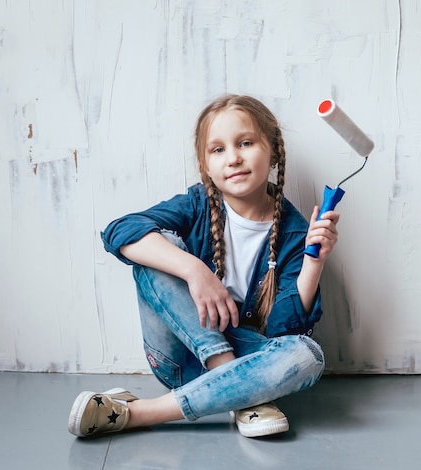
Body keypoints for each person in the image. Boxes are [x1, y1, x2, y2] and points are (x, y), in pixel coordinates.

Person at [68, 94, 340, 439]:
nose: (234, 158)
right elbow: (119, 230)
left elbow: (282, 330)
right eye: (218, 150)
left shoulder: (294, 231)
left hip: (251, 359)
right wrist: (194, 270)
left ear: (273, 150)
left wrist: (313, 264)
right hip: (182, 358)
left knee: (307, 355)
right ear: (205, 164)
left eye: (245, 143)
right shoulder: (197, 206)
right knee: (154, 249)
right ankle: (237, 386)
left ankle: (140, 412)